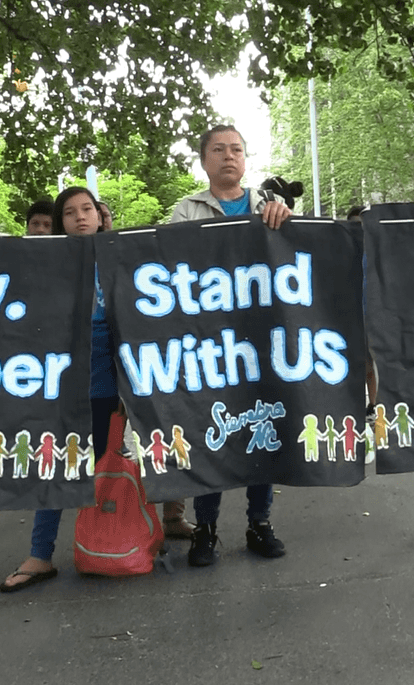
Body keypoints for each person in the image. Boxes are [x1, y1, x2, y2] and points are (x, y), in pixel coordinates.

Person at [170, 124, 292, 567]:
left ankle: (260, 523)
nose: (228, 156)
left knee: (262, 431)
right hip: (210, 345)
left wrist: (287, 224)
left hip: (262, 342)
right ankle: (206, 528)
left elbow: (295, 258)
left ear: (246, 158)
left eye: (236, 149)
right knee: (211, 435)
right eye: (218, 149)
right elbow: (169, 270)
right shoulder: (185, 212)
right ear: (204, 160)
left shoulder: (270, 207)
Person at [0, 186, 118, 592]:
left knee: (109, 464)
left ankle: (115, 543)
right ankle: (41, 554)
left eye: (88, 209)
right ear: (59, 222)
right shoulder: (44, 263)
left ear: (101, 216)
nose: (81, 217)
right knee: (56, 463)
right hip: (60, 380)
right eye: (70, 212)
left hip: (110, 380)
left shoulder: (119, 258)